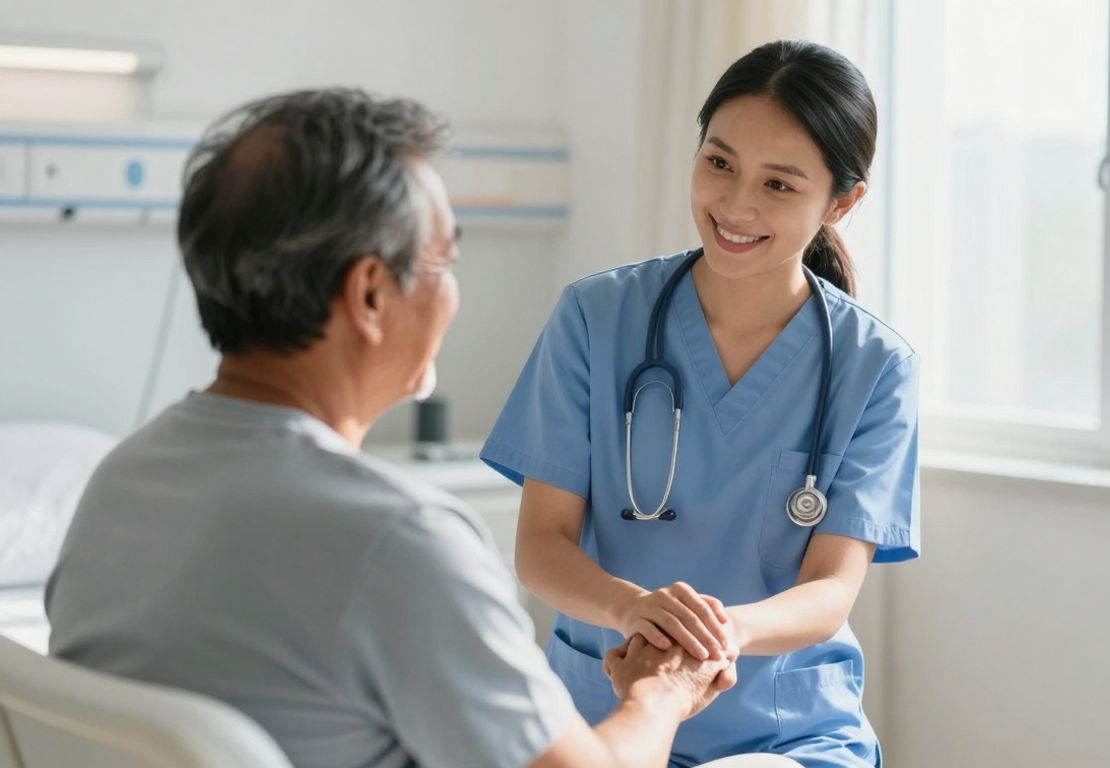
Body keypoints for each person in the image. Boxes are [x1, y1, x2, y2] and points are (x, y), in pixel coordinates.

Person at [44, 88, 761, 768]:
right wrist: (663, 691)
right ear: (369, 295)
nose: (453, 292)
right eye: (444, 260)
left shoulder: (119, 481)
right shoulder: (398, 543)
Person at [481, 40, 920, 767]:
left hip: (784, 732)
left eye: (779, 185)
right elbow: (541, 546)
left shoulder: (874, 366)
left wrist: (715, 638)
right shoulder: (595, 317)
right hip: (598, 717)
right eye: (719, 162)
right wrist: (632, 609)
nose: (736, 204)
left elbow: (830, 590)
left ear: (842, 202)